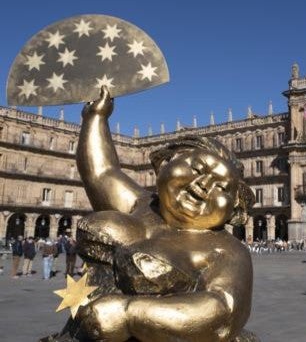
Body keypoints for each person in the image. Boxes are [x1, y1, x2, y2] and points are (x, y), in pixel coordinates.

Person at [49, 87, 256, 341]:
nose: (204, 184)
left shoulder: (228, 250)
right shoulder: (141, 204)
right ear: (168, 164)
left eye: (222, 187)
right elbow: (101, 172)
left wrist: (130, 315)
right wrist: (96, 117)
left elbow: (224, 309)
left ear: (234, 208)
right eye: (197, 168)